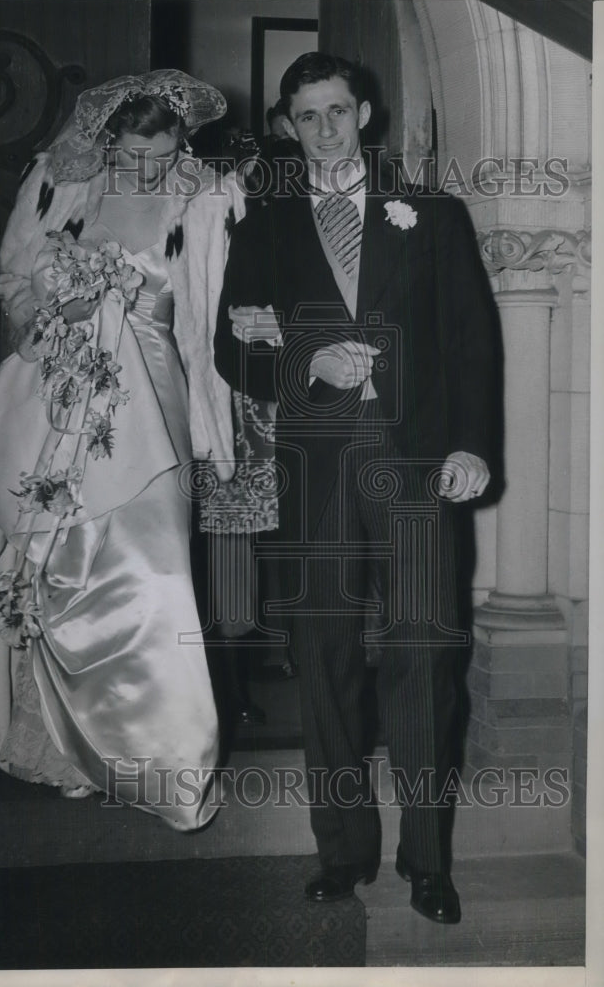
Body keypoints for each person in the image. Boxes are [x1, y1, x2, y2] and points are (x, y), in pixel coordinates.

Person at [214, 52, 500, 922]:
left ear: (364, 115)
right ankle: (340, 852)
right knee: (326, 661)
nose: (324, 129)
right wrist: (308, 358)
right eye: (306, 116)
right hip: (318, 474)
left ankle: (428, 862)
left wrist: (474, 448)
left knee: (425, 657)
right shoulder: (261, 226)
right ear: (288, 126)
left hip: (416, 467)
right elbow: (235, 348)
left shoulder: (433, 215)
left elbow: (472, 344)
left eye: (337, 111)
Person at [0, 70, 245, 832]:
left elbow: (223, 299)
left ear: (183, 143)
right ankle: (64, 747)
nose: (146, 167)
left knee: (152, 573)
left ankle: (160, 757)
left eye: (163, 151)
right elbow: (14, 278)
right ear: (108, 139)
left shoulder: (209, 197)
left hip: (154, 393)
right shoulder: (62, 183)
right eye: (132, 152)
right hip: (55, 393)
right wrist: (52, 305)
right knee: (49, 561)